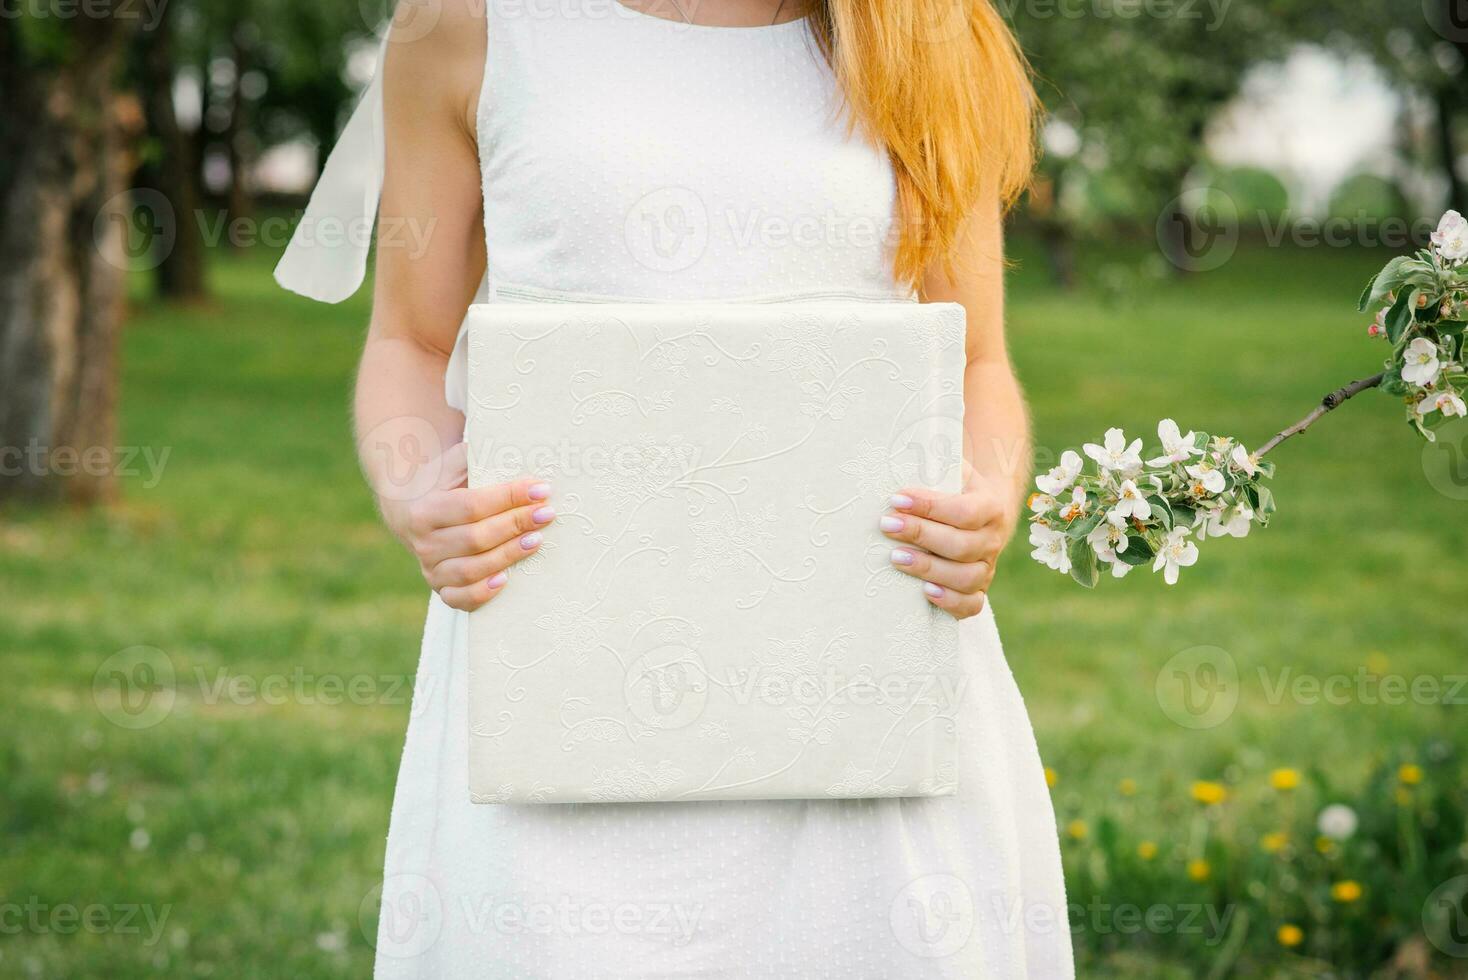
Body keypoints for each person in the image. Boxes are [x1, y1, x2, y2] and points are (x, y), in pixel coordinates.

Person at [280, 0, 1073, 974]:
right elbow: (410, 341)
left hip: (863, 664)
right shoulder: (466, 23)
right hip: (557, 668)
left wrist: (986, 494)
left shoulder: (922, 26)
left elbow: (979, 363)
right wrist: (418, 493)